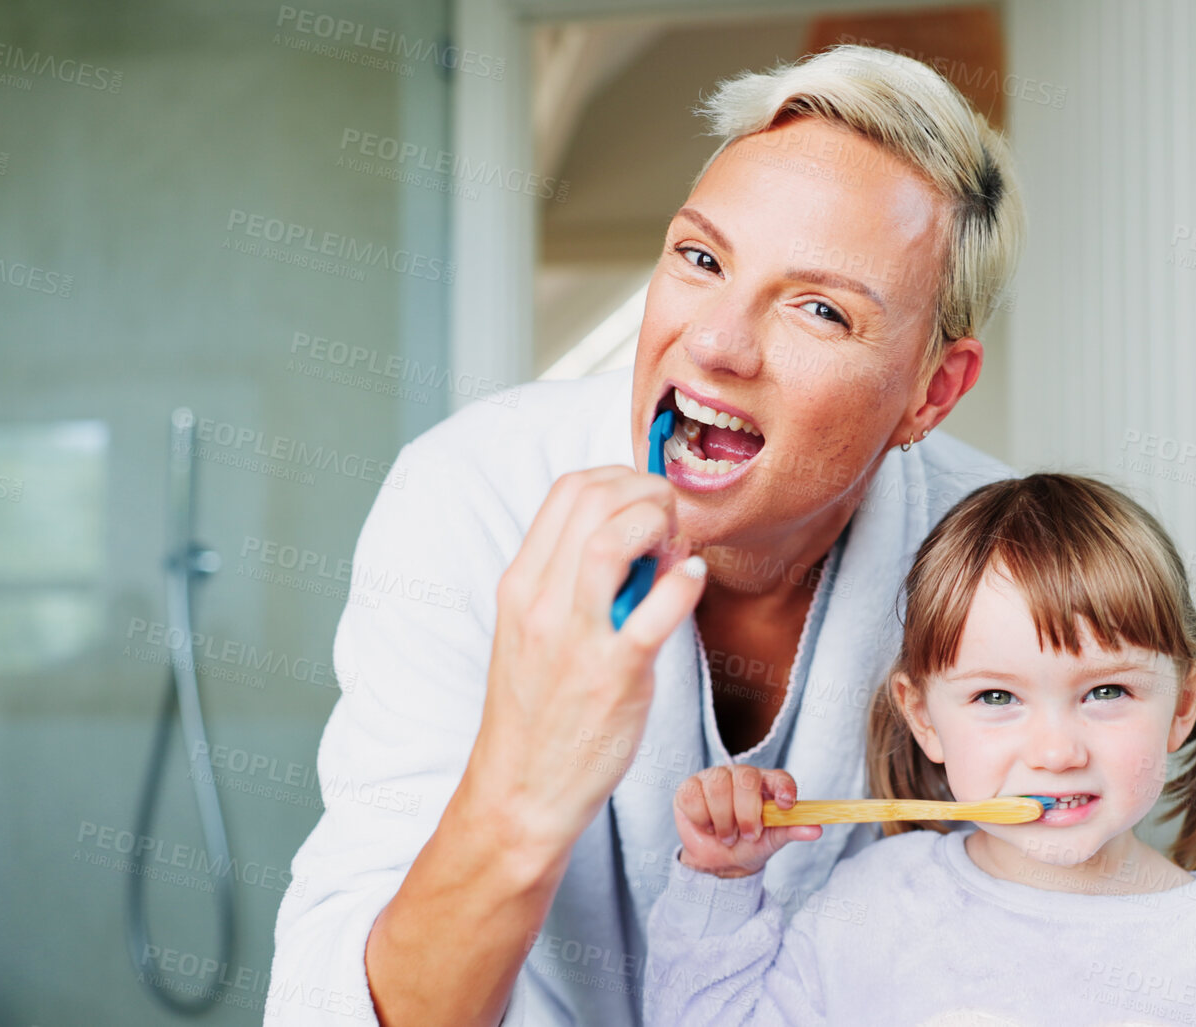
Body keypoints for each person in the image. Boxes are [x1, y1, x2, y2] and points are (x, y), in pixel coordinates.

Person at [267, 45, 1024, 1027]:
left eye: (821, 309)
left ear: (932, 392)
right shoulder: (473, 496)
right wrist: (522, 786)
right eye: (701, 258)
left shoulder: (1003, 562)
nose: (712, 341)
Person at [644, 474, 1196, 1026]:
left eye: (1104, 692)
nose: (1055, 750)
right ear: (924, 717)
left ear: (1183, 704)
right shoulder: (876, 905)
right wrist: (721, 885)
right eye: (995, 698)